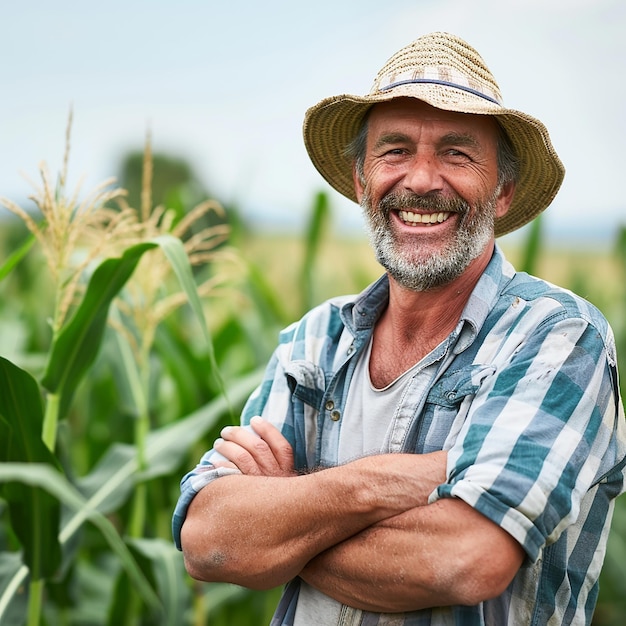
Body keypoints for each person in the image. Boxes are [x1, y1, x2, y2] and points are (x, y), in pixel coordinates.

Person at [172, 32, 626, 625]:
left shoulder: (556, 339)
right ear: (362, 180)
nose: (419, 181)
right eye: (394, 151)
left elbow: (467, 557)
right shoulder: (314, 342)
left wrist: (285, 526)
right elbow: (207, 539)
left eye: (457, 154)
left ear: (504, 191)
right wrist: (386, 483)